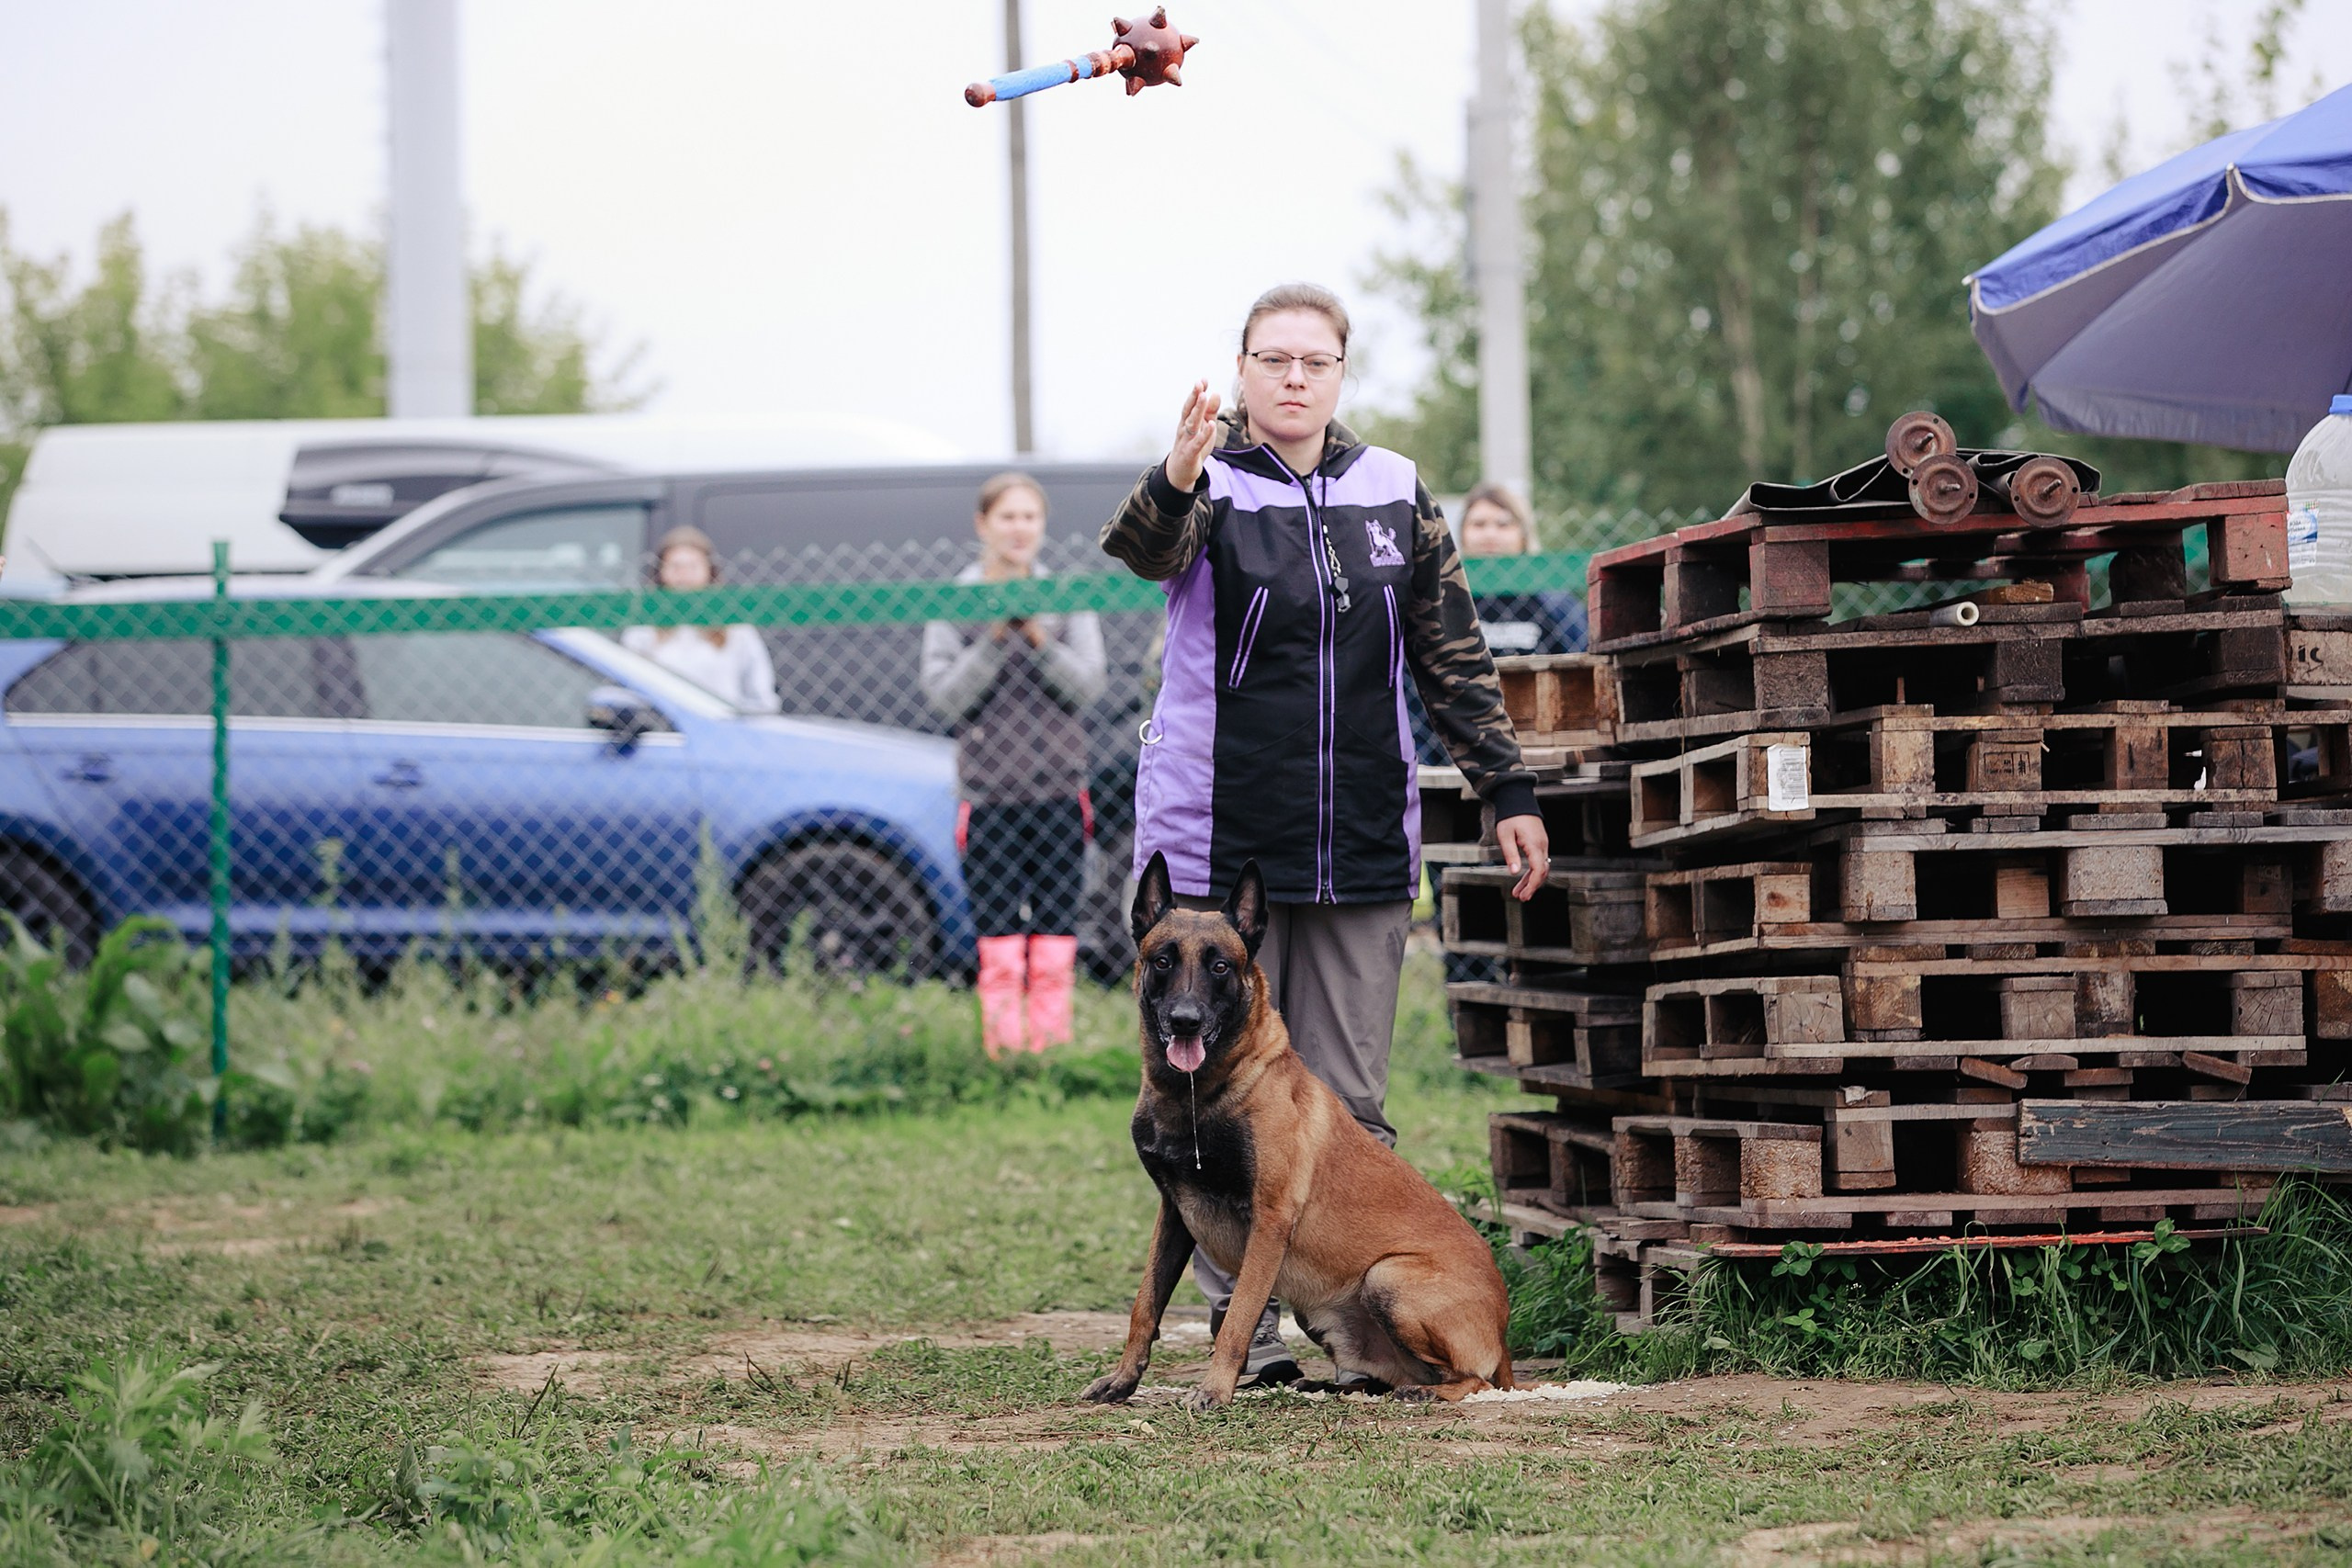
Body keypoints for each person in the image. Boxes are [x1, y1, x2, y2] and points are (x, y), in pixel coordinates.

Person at [1102, 282, 1550, 1385]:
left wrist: (1508, 790)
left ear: (1341, 374)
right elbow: (1142, 553)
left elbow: (1452, 655)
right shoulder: (1208, 483)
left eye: (1315, 360)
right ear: (1243, 373)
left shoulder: (1393, 489)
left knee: (1345, 1105)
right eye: (1272, 359)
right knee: (1206, 1094)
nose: (1293, 377)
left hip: (1355, 836)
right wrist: (1173, 473)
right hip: (1221, 832)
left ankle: (1357, 1342)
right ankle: (1237, 1342)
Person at [922, 473, 1107, 1056]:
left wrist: (1038, 639)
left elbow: (1088, 687)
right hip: (988, 797)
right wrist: (995, 638)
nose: (1019, 528)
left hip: (1059, 793)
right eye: (1007, 517)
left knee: (1055, 932)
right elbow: (945, 696)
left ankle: (1050, 1051)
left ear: (1042, 525)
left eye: (1029, 516)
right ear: (983, 525)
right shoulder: (955, 601)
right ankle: (1003, 1052)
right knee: (998, 936)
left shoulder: (1064, 597)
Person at [621, 526, 781, 714]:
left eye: (692, 566)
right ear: (660, 572)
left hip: (723, 731)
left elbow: (761, 695)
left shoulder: (736, 629)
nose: (684, 574)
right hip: (664, 732)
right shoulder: (643, 629)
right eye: (675, 566)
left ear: (709, 571)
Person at [1457, 481, 1587, 658]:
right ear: (1462, 533)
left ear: (1523, 535)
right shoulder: (1447, 599)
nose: (1490, 534)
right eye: (1479, 524)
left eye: (1503, 524)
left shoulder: (1555, 602)